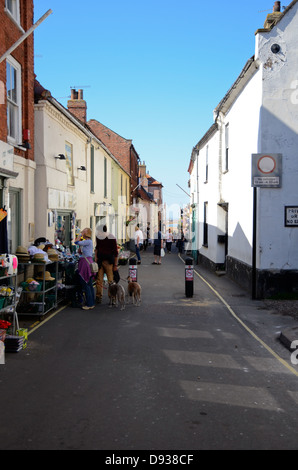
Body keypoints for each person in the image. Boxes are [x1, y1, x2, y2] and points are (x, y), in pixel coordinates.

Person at [95, 224, 119, 303]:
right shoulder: (98, 237)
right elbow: (97, 248)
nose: (97, 234)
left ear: (103, 231)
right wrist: (96, 258)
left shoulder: (111, 237)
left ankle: (112, 297)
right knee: (99, 280)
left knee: (111, 281)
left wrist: (115, 265)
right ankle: (98, 297)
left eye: (99, 232)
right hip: (100, 261)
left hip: (109, 262)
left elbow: (116, 252)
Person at [74, 227, 95, 310]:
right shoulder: (87, 242)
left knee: (86, 284)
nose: (83, 231)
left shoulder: (87, 241)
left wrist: (79, 234)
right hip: (88, 262)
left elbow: (76, 242)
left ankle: (89, 304)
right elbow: (81, 251)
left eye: (84, 231)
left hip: (85, 264)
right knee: (89, 284)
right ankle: (91, 302)